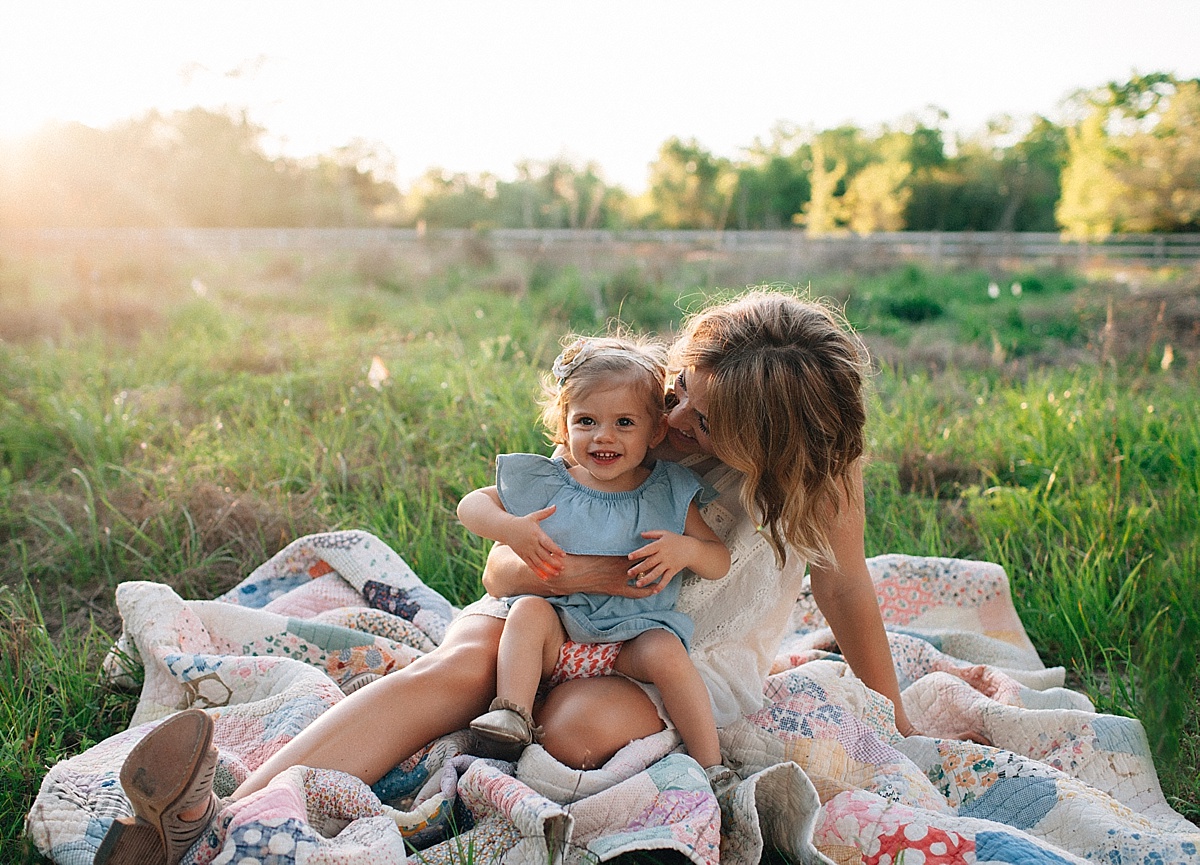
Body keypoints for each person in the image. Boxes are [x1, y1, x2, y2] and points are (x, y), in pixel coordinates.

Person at [98, 288, 947, 865]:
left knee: (574, 734)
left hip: (674, 652)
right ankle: (222, 816)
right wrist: (578, 575)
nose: (677, 418)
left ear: (772, 442)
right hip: (546, 610)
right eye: (681, 387)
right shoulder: (631, 415)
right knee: (464, 663)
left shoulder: (820, 479)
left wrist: (897, 719)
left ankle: (500, 718)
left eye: (707, 418)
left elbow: (843, 589)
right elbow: (506, 559)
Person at [456, 336, 734, 790]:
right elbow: (472, 506)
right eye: (586, 421)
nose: (604, 436)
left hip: (630, 642)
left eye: (625, 422)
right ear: (565, 427)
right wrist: (511, 529)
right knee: (528, 611)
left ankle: (712, 765)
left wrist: (686, 550)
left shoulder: (668, 489)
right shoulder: (553, 481)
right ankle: (511, 712)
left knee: (666, 650)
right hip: (560, 631)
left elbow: (718, 559)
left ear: (655, 432)